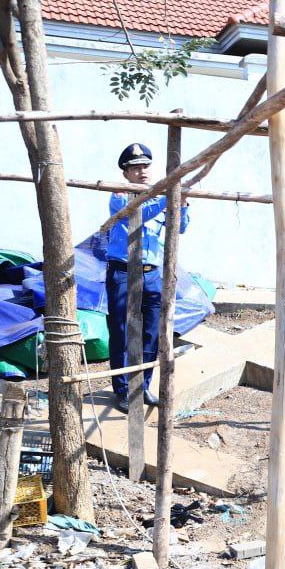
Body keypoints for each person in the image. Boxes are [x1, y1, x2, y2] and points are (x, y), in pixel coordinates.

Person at [105, 143, 190, 413]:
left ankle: (142, 387)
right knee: (121, 331)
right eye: (135, 168)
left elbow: (181, 227)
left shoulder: (160, 197)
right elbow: (139, 213)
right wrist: (170, 194)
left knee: (151, 332)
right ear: (125, 173)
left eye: (145, 166)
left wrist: (182, 203)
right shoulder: (120, 196)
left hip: (151, 274)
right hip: (122, 272)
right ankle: (122, 390)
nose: (141, 172)